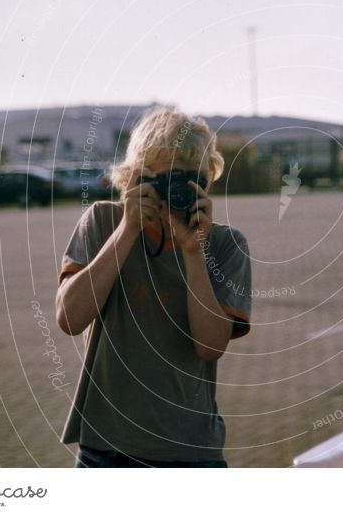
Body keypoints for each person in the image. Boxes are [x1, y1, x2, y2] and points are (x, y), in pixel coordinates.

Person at [56, 108, 252, 468]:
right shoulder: (103, 222)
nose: (172, 195)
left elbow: (210, 347)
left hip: (189, 451)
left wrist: (195, 252)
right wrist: (127, 231)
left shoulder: (225, 245)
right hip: (106, 448)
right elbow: (69, 318)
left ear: (206, 182)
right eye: (162, 180)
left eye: (189, 180)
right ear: (133, 178)